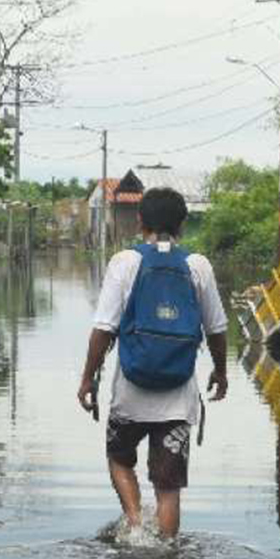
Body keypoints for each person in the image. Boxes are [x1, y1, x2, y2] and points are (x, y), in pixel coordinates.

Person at [77, 186, 228, 539]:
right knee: (168, 488)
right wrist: (220, 371)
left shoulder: (125, 262)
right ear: (183, 225)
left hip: (130, 393)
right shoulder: (198, 266)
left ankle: (134, 526)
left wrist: (87, 378)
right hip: (178, 398)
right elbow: (217, 329)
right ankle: (166, 554)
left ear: (140, 220)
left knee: (119, 460)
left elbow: (103, 328)